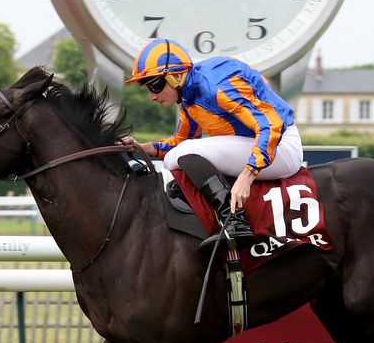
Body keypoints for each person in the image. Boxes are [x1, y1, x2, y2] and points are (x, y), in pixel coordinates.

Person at [120, 38, 303, 247]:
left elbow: (269, 125)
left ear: (177, 76)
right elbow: (180, 141)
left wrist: (247, 176)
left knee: (180, 155)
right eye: (148, 88)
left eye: (155, 85)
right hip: (257, 145)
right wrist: (143, 148)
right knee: (178, 154)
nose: (152, 96)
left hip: (281, 147)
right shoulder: (188, 98)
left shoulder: (215, 86)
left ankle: (234, 220)